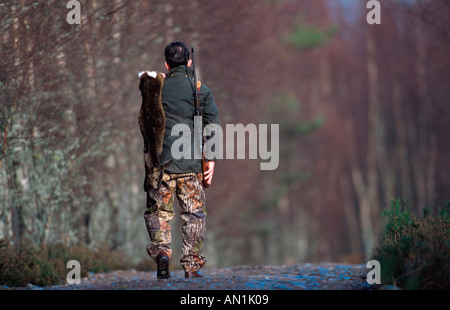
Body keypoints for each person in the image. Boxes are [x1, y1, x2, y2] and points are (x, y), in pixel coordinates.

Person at [143, 41, 219, 279]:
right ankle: (191, 265)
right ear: (188, 62)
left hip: (160, 165)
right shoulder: (200, 90)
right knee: (194, 214)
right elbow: (212, 127)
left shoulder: (155, 89)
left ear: (166, 64)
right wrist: (212, 160)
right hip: (190, 165)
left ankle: (162, 253)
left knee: (158, 213)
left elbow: (146, 122)